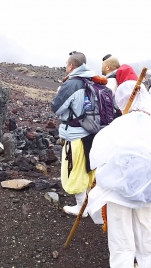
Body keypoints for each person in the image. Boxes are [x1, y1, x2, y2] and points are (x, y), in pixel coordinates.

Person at [87, 80, 151, 268]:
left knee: (121, 239)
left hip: (118, 192)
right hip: (148, 191)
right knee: (147, 231)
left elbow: (98, 155)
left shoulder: (120, 125)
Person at [51, 51, 96, 217]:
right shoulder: (93, 81)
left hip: (76, 135)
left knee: (75, 170)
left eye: (66, 64)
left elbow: (56, 107)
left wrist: (58, 93)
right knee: (88, 168)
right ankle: (90, 204)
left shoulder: (72, 84)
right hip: (93, 132)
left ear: (71, 66)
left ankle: (81, 208)